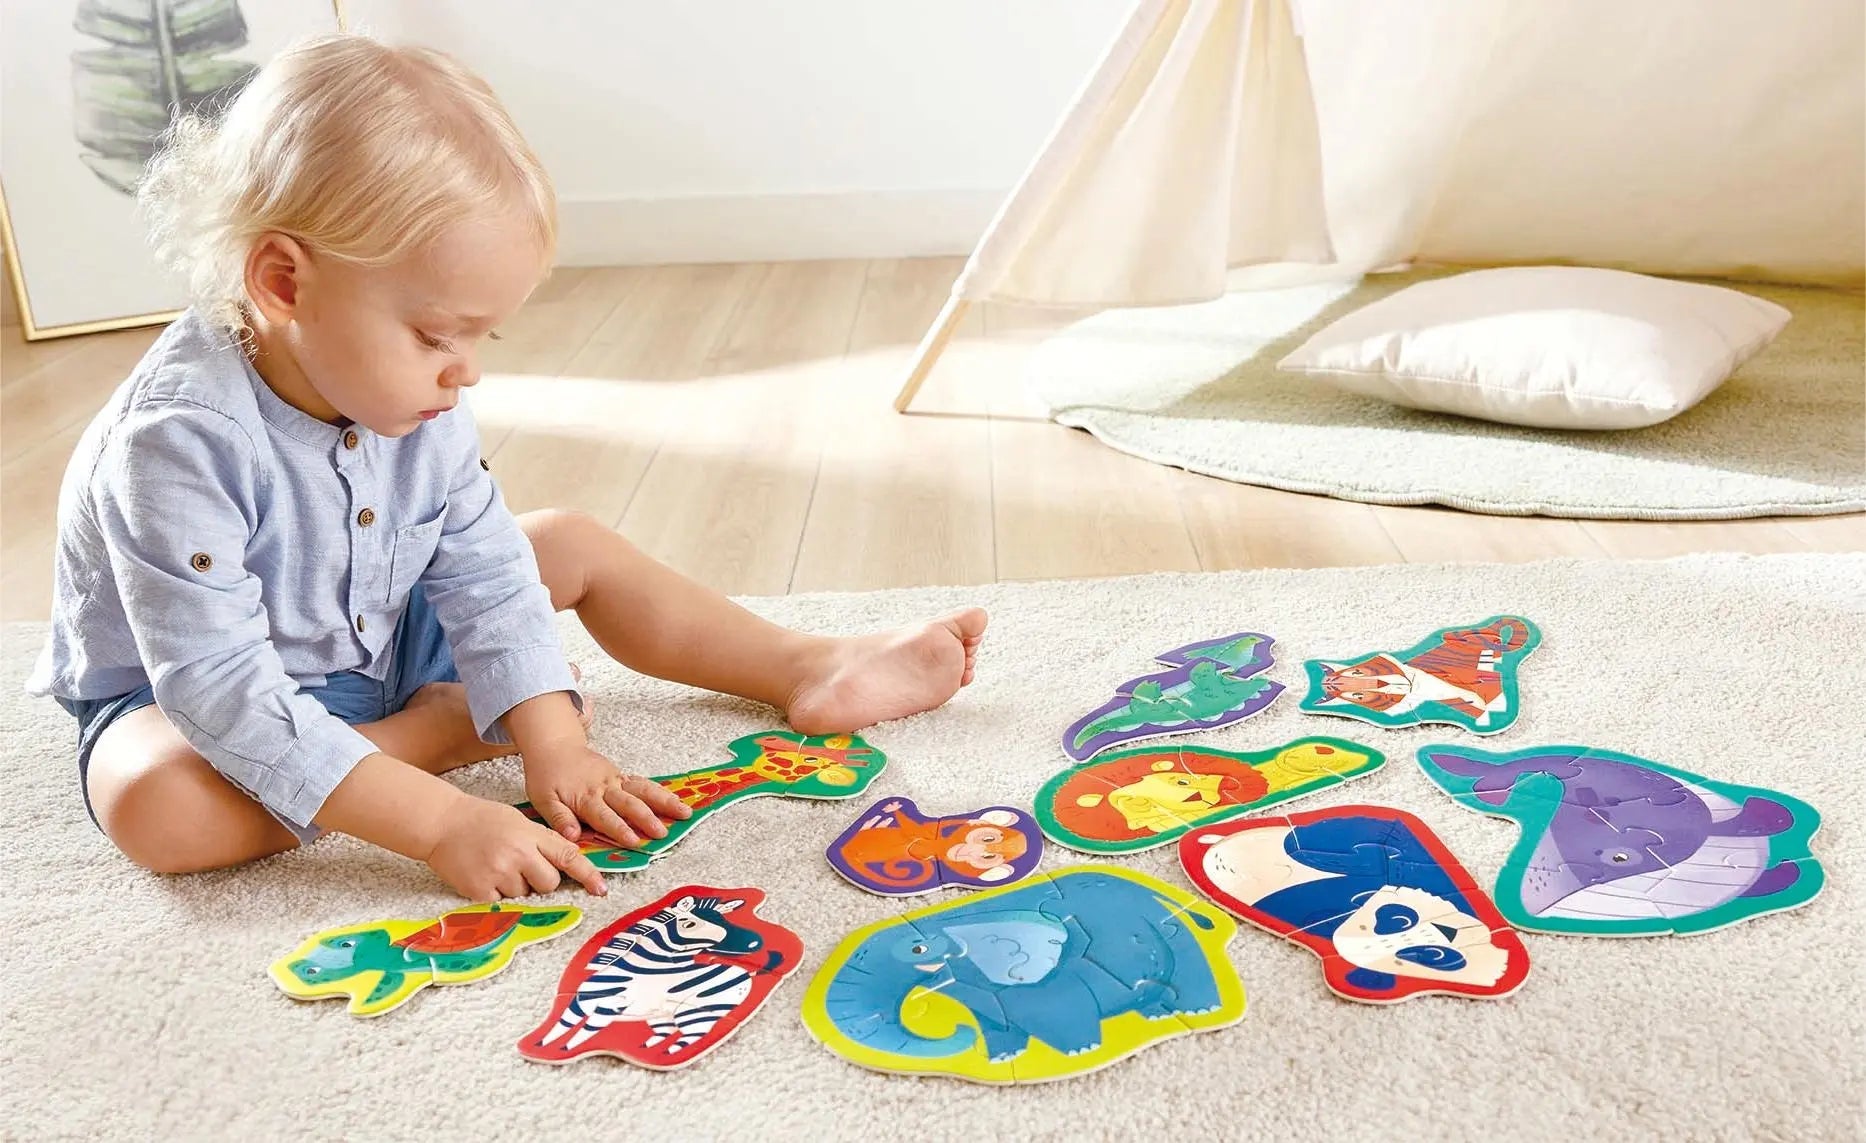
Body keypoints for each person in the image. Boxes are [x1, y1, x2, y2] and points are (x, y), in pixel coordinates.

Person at [25, 33, 987, 902]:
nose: (468, 368)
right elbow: (220, 688)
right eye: (438, 333)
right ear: (283, 282)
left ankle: (805, 664)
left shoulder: (416, 389)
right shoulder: (176, 442)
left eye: (484, 334)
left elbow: (482, 565)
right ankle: (440, 736)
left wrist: (555, 742)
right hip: (198, 695)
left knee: (563, 542)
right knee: (158, 808)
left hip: (380, 637)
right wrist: (440, 819)